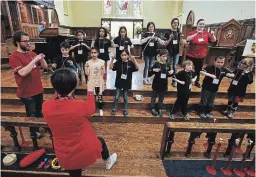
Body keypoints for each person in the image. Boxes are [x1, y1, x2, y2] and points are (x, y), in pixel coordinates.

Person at [43, 68, 117, 177]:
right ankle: (108, 159)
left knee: (74, 172)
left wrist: (60, 87)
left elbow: (58, 99)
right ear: (74, 87)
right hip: (83, 149)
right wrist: (90, 91)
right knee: (100, 141)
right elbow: (91, 109)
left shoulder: (46, 106)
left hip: (63, 153)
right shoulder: (80, 106)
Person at [9, 31, 48, 138]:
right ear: (17, 42)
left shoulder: (32, 54)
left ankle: (40, 126)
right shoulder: (14, 57)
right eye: (25, 41)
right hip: (27, 92)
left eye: (28, 41)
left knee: (40, 111)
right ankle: (33, 133)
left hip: (38, 89)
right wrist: (35, 60)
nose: (28, 43)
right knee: (32, 114)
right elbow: (22, 73)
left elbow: (45, 67)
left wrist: (41, 58)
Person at [186, 19, 217, 88]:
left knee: (198, 69)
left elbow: (213, 40)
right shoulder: (192, 32)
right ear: (197, 25)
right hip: (191, 55)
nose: (201, 25)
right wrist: (196, 33)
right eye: (200, 24)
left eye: (203, 24)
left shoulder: (206, 33)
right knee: (188, 68)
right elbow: (188, 39)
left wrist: (213, 34)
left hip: (201, 56)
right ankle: (187, 80)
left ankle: (196, 81)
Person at [109, 49, 139, 117]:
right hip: (119, 82)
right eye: (122, 55)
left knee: (125, 97)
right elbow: (110, 68)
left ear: (128, 55)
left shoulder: (131, 63)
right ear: (120, 55)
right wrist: (112, 60)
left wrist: (134, 60)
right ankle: (114, 109)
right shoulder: (118, 62)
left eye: (125, 55)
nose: (124, 56)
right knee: (116, 97)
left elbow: (137, 68)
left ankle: (125, 109)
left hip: (127, 82)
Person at [148, 49, 173, 116]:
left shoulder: (167, 64)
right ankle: (152, 108)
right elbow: (149, 73)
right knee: (154, 97)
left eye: (166, 56)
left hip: (163, 84)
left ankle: (159, 108)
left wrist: (171, 73)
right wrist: (153, 70)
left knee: (161, 98)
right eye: (163, 56)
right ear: (160, 56)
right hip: (156, 84)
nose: (165, 58)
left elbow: (169, 74)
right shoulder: (156, 64)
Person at [85, 48, 105, 116]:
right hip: (91, 82)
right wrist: (86, 68)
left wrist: (103, 69)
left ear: (97, 53)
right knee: (92, 98)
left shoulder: (102, 62)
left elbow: (103, 73)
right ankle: (92, 110)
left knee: (99, 97)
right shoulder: (88, 62)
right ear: (90, 54)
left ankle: (100, 109)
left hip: (98, 82)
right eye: (92, 53)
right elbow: (87, 73)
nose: (93, 54)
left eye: (95, 53)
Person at [164, 18, 181, 87]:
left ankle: (174, 81)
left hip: (176, 52)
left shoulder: (179, 32)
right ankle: (165, 80)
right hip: (168, 52)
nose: (176, 24)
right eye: (174, 22)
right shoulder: (168, 32)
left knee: (175, 66)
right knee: (167, 66)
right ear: (171, 24)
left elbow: (179, 42)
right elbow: (165, 43)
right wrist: (169, 38)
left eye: (177, 23)